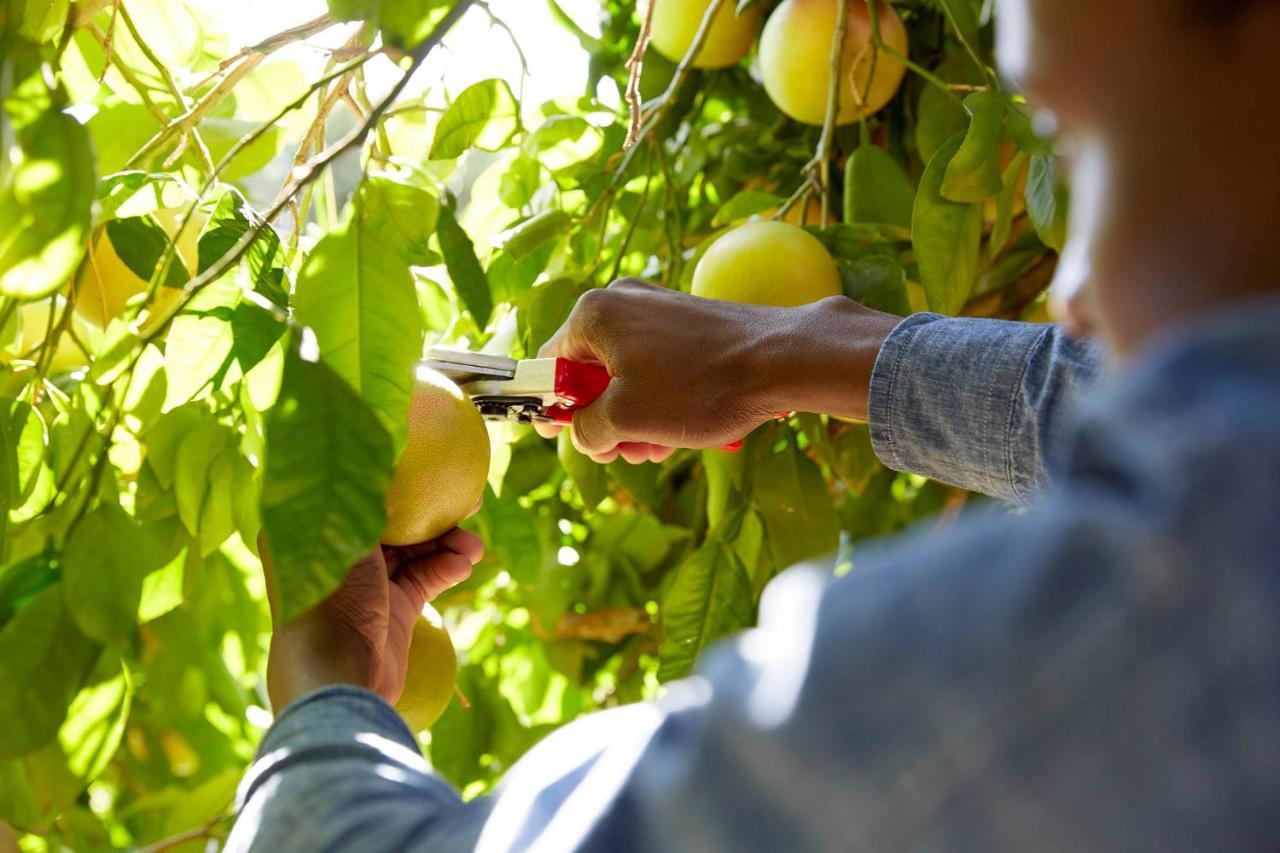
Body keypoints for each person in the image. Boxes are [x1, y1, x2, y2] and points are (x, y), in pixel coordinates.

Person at [229, 0, 1280, 849]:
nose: (1069, 287)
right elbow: (1129, 402)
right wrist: (777, 355)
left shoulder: (1146, 606)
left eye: (1078, 138)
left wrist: (322, 686)